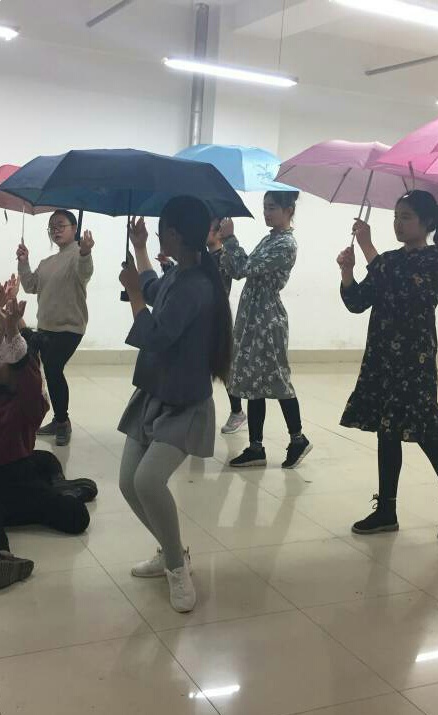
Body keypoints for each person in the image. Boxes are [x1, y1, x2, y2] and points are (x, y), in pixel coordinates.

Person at [117, 196, 232, 613]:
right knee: (128, 483)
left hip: (183, 401)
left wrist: (133, 293)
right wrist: (140, 250)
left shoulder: (197, 285)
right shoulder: (179, 273)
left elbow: (157, 335)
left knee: (148, 482)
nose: (157, 235)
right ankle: (172, 552)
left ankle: (176, 568)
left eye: (160, 230)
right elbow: (152, 285)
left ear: (177, 234)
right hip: (153, 392)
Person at [0, 279, 97, 589]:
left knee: (73, 508)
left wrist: (11, 326)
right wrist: (4, 323)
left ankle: (57, 487)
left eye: (5, 358)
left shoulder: (28, 401)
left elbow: (26, 361)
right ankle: (1, 556)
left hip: (17, 481)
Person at [337, 190, 438, 540]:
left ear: (428, 222)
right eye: (395, 216)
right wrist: (347, 273)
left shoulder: (437, 263)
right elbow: (358, 302)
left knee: (427, 432)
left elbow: (409, 293)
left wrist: (368, 248)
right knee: (387, 431)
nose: (398, 223)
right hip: (381, 357)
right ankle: (387, 509)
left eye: (406, 217)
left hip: (414, 360)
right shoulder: (389, 260)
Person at [221, 191, 312, 470]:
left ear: (288, 210)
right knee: (253, 384)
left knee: (279, 381)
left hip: (267, 322)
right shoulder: (270, 238)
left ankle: (298, 439)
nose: (266, 213)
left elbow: (243, 268)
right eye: (265, 208)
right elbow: (237, 268)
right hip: (252, 319)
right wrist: (225, 246)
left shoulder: (285, 244)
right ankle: (255, 447)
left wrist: (230, 239)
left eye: (272, 208)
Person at [159, 218, 245, 432]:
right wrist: (169, 265)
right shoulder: (204, 256)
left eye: (208, 228)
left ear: (218, 233)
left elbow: (232, 273)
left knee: (223, 368)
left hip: (213, 317)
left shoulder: (223, 257)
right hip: (203, 317)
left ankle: (237, 411)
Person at [17, 210, 95, 446]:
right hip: (46, 327)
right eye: (52, 227)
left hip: (70, 327)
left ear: (74, 229)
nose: (56, 230)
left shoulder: (78, 256)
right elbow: (30, 286)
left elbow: (85, 271)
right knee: (46, 372)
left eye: (61, 225)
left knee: (53, 368)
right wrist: (24, 262)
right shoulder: (47, 263)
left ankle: (62, 422)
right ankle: (56, 419)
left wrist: (86, 252)